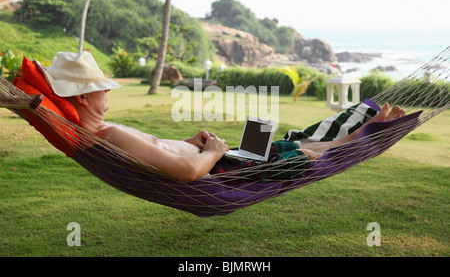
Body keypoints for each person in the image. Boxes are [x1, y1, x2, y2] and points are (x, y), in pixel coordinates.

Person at [37, 52, 406, 183]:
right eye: (103, 87)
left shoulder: (105, 133)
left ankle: (359, 127)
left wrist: (193, 144)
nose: (108, 92)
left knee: (290, 141)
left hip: (222, 160)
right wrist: (212, 151)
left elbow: (161, 153)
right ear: (84, 96)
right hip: (221, 170)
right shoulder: (110, 136)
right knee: (306, 153)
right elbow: (185, 172)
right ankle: (365, 134)